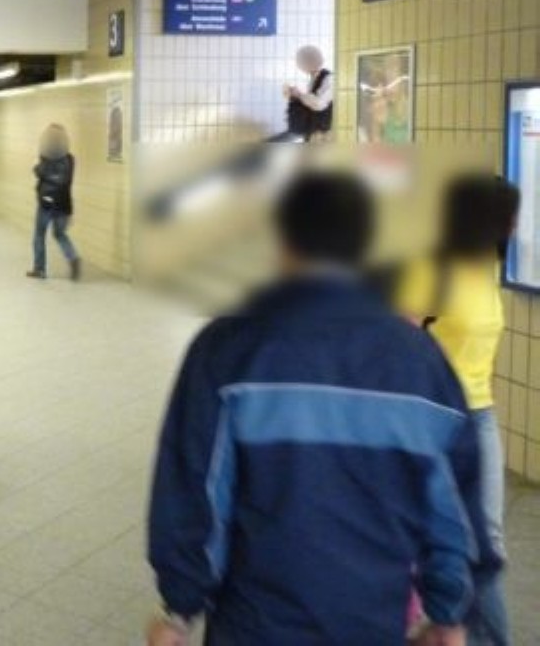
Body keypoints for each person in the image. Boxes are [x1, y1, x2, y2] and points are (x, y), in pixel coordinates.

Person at [146, 171, 496, 646]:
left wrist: (179, 608)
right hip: (373, 625)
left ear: (281, 242)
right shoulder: (421, 363)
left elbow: (196, 492)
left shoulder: (228, 350)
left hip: (253, 628)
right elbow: (452, 512)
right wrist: (448, 614)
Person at [397, 174, 520, 646]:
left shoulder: (488, 265)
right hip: (435, 418)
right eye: (507, 216)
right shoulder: (434, 267)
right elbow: (400, 339)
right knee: (449, 542)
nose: (513, 226)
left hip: (480, 415)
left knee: (486, 542)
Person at [27, 124, 81, 281]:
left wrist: (41, 161)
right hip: (64, 204)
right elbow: (66, 181)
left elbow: (37, 171)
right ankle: (73, 257)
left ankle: (39, 269)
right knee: (60, 234)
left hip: (46, 204)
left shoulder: (45, 161)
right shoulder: (70, 160)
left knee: (39, 235)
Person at [273, 44, 333, 142]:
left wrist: (300, 95)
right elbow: (311, 103)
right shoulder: (314, 79)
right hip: (313, 130)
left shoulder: (329, 78)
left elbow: (319, 104)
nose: (300, 66)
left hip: (323, 133)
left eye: (301, 62)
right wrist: (294, 96)